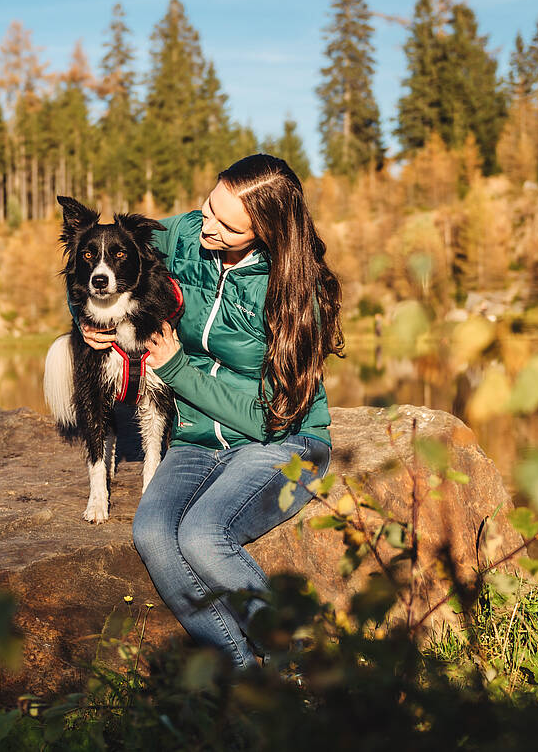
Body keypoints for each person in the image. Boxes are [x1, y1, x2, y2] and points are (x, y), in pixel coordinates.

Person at [78, 153, 343, 670]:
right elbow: (94, 261)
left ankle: (301, 667)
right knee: (151, 532)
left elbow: (274, 415)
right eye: (210, 206)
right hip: (197, 441)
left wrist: (177, 370)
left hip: (282, 443)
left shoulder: (294, 292)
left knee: (203, 534)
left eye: (228, 224)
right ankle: (244, 674)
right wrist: (90, 322)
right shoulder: (185, 235)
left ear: (265, 233)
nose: (208, 226)